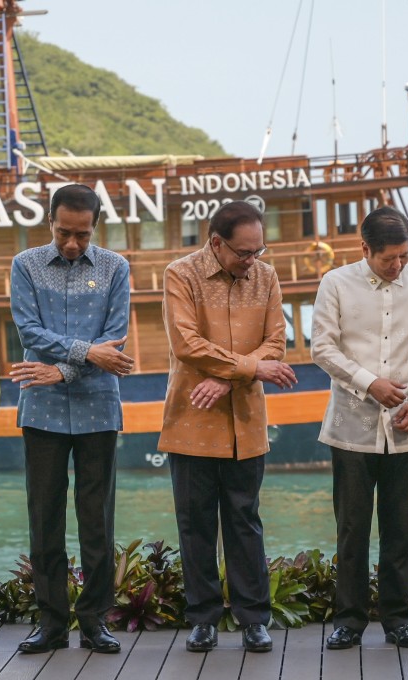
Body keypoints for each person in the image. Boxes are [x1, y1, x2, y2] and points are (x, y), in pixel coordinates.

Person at [159, 200, 295, 653]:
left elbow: (277, 341)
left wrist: (227, 376)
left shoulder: (268, 276)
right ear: (216, 243)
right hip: (191, 420)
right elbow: (186, 343)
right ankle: (202, 619)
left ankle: (255, 618)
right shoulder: (180, 274)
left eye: (258, 250)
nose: (252, 260)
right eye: (243, 253)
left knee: (245, 521)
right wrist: (247, 369)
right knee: (195, 525)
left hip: (246, 422)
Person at [310, 207, 408, 650]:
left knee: (399, 528)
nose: (398, 266)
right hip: (351, 426)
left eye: (404, 256)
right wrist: (371, 384)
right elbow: (322, 349)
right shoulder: (335, 283)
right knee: (351, 529)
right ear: (364, 249)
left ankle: (398, 620)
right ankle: (349, 621)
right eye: (389, 257)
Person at [10, 183, 132, 654]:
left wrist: (59, 369)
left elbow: (115, 340)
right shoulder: (25, 265)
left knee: (96, 520)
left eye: (82, 234)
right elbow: (29, 330)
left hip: (99, 410)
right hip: (40, 412)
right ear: (50, 222)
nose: (73, 244)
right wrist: (85, 355)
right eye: (64, 233)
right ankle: (51, 622)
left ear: (95, 227)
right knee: (44, 519)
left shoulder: (116, 267)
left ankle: (96, 621)